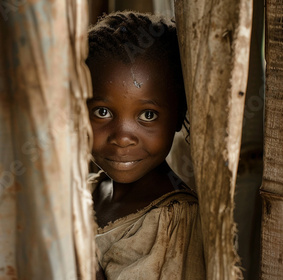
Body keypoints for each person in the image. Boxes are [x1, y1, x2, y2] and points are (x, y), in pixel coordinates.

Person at [86, 11, 206, 279]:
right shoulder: (86, 192)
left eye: (147, 115)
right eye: (102, 112)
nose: (122, 137)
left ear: (178, 115)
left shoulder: (176, 221)